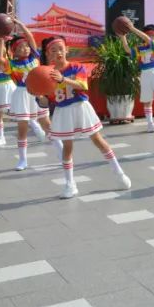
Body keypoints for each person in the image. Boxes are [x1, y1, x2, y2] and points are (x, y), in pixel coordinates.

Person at [44, 36, 131, 198]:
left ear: (67, 50)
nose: (58, 53)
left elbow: (83, 85)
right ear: (48, 54)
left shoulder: (77, 67)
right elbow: (48, 98)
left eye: (60, 49)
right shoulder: (47, 73)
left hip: (80, 106)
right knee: (67, 146)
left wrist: (63, 79)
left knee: (97, 139)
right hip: (63, 110)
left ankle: (120, 174)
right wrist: (39, 95)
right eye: (53, 50)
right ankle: (70, 184)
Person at [6, 21, 57, 170]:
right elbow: (3, 55)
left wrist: (19, 24)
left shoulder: (35, 57)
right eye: (21, 47)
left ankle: (62, 153)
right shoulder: (12, 65)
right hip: (22, 94)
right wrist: (3, 41)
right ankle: (23, 160)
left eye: (26, 46)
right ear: (14, 51)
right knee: (22, 128)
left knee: (48, 125)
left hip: (38, 93)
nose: (25, 49)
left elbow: (29, 36)